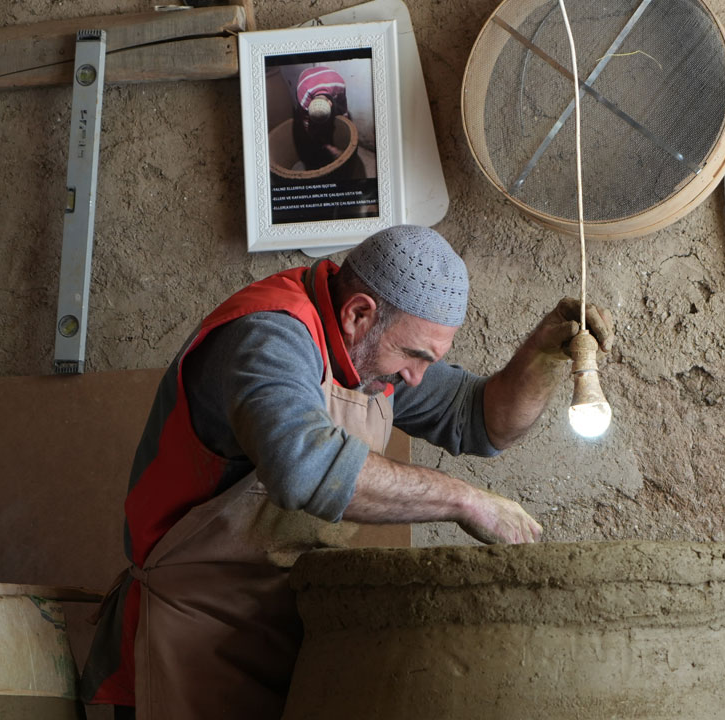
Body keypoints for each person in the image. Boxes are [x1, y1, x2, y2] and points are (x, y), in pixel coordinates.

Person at [80, 225, 614, 719]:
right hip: (180, 639)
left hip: (281, 629)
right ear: (360, 313)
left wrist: (542, 352)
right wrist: (464, 500)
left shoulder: (371, 352)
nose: (416, 376)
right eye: (413, 354)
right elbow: (302, 466)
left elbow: (481, 421)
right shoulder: (268, 336)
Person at [291, 65, 349, 169]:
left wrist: (346, 119)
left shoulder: (339, 84)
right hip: (305, 78)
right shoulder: (303, 98)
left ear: (331, 103)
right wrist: (320, 143)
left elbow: (343, 103)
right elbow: (306, 122)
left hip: (328, 77)